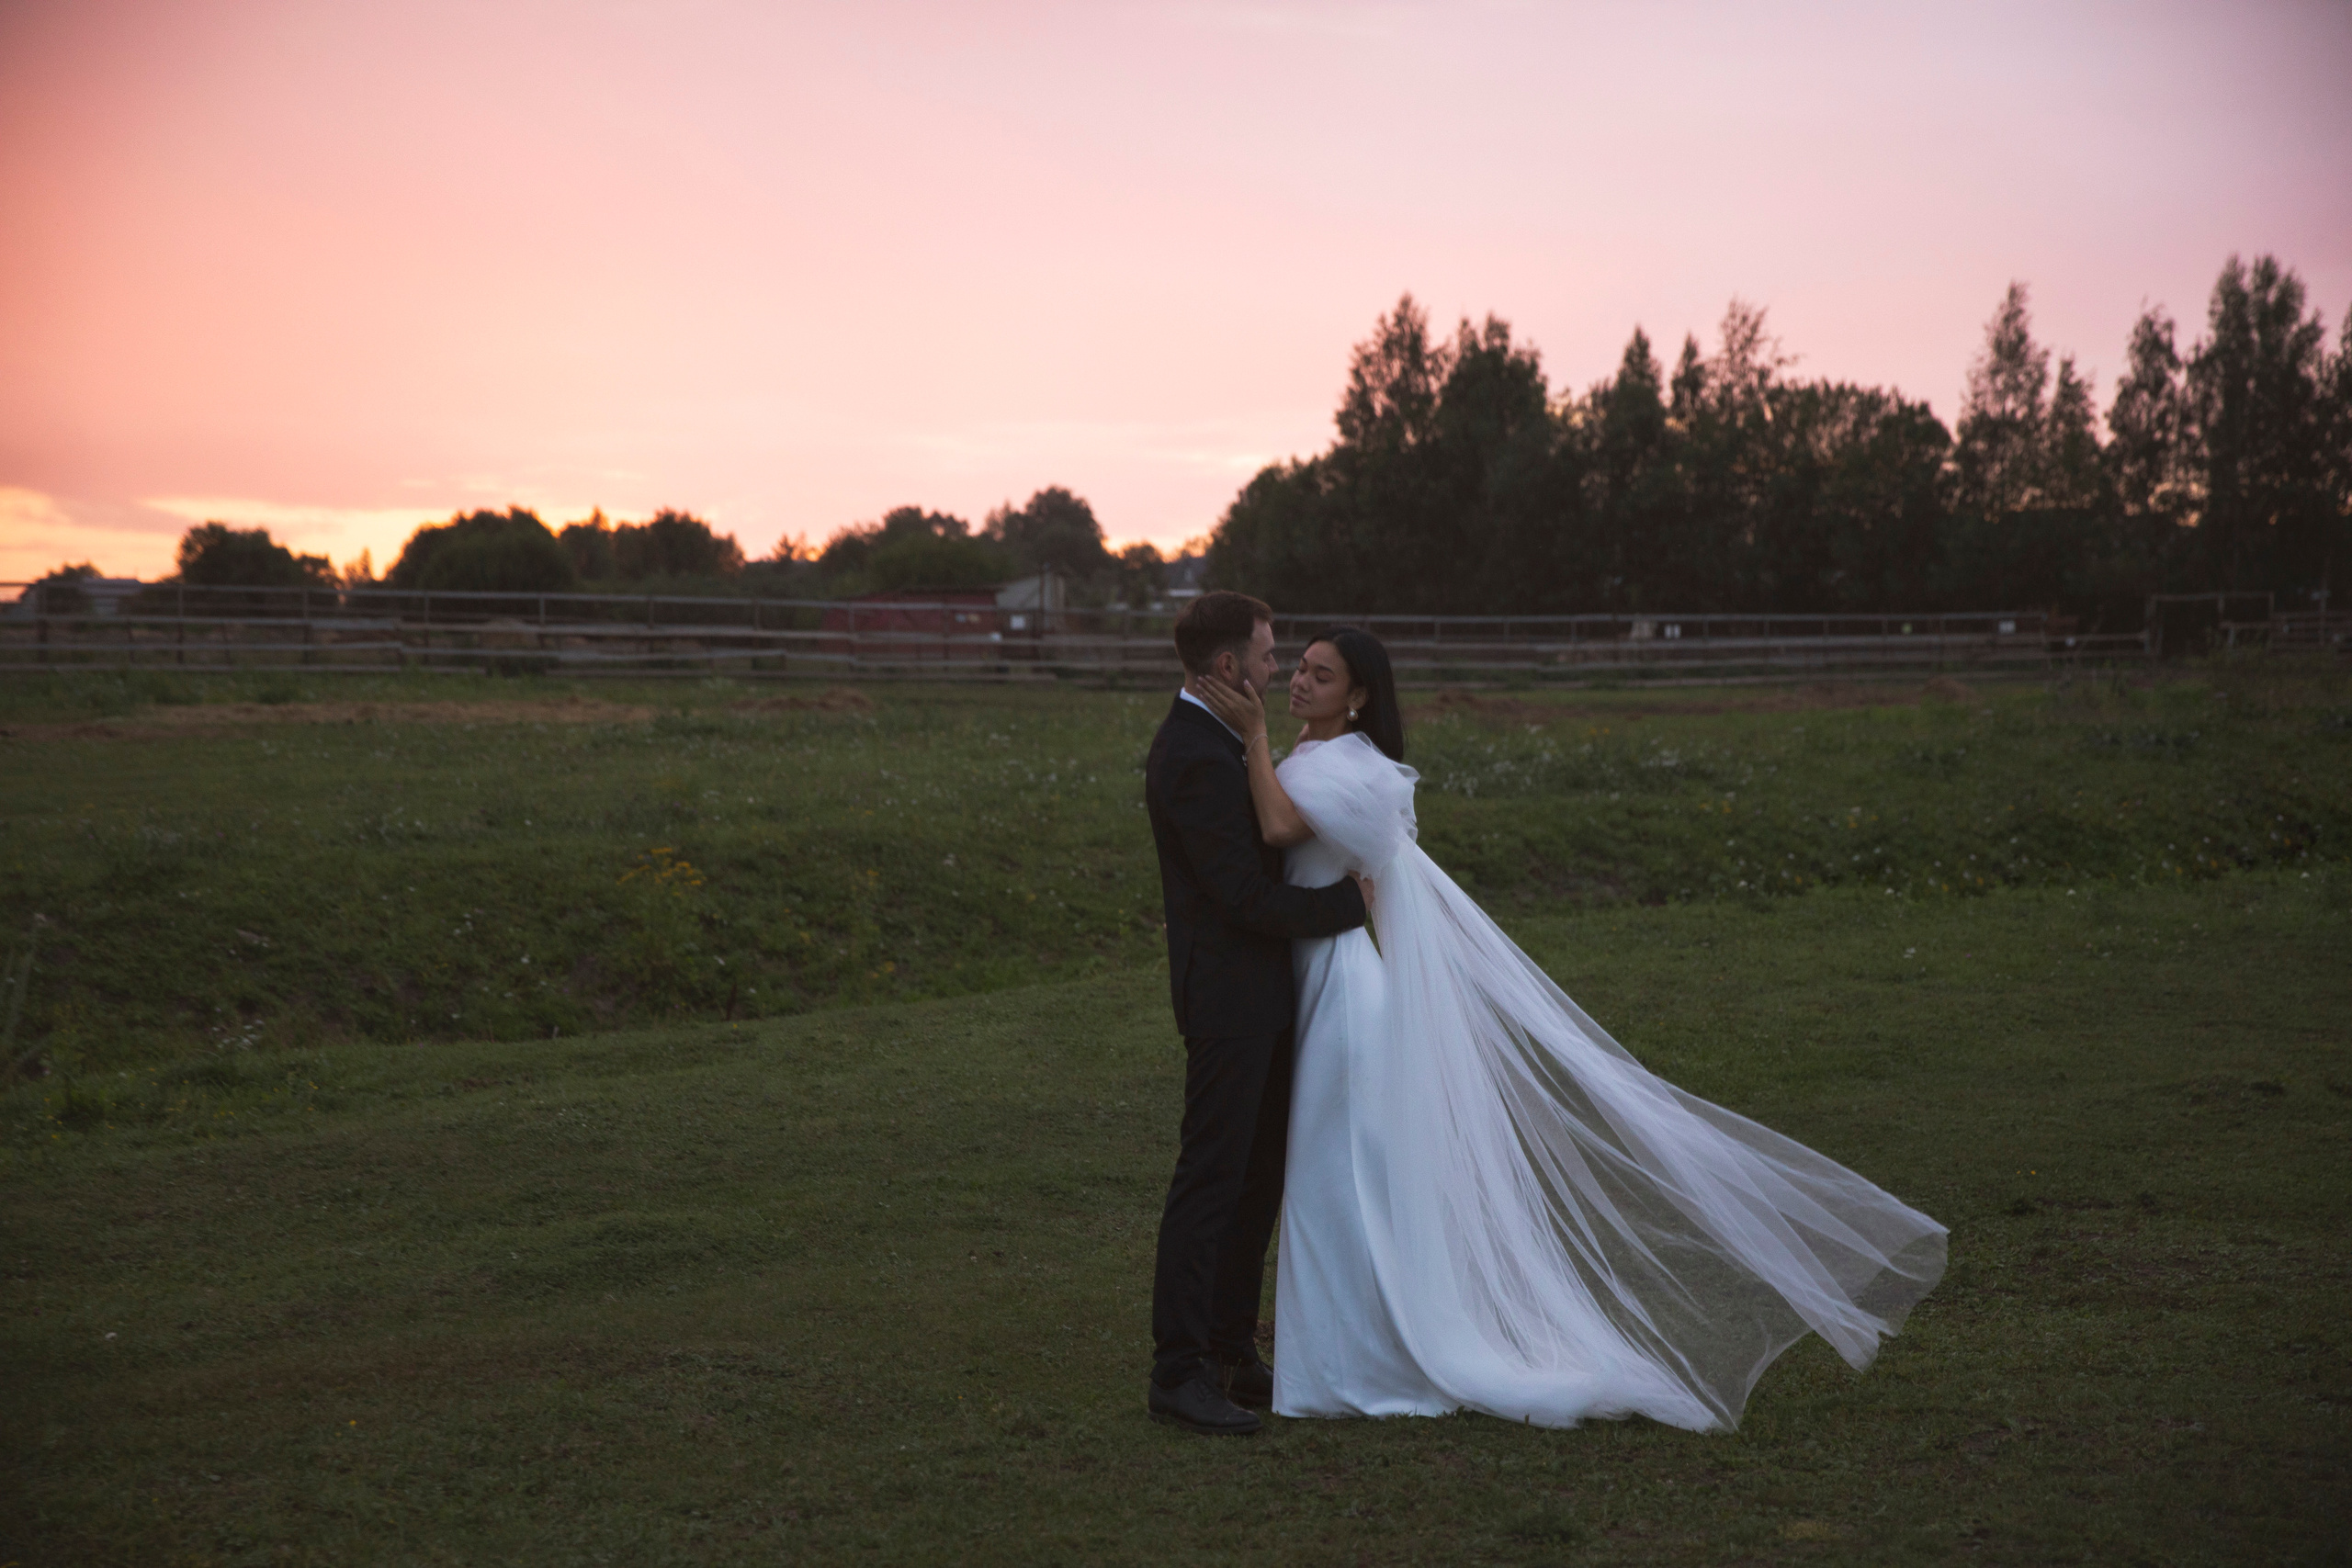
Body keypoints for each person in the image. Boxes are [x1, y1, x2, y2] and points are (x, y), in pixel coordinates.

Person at [1193, 627, 1946, 1429]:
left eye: (1320, 674)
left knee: (1335, 1181)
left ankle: (1357, 1359)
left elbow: (1275, 829)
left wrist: (1255, 735)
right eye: (1299, 669)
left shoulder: (1358, 773)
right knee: (1330, 1181)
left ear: (1360, 696)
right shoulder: (1317, 758)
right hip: (1308, 980)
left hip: (1340, 995)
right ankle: (1337, 1350)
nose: (1300, 682)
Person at [1140, 592, 1374, 1437]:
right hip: (1229, 1000)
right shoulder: (1192, 755)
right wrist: (1348, 904)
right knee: (1210, 1182)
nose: (1278, 672)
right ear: (1230, 666)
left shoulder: (1227, 740)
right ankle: (1180, 1369)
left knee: (1254, 1184)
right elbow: (1239, 896)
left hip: (1267, 995)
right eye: (1270, 657)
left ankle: (1234, 1350)